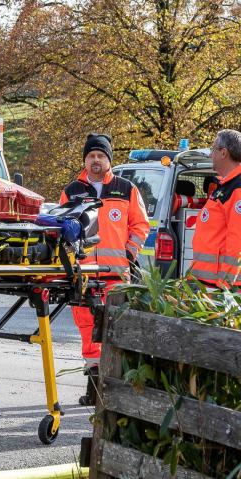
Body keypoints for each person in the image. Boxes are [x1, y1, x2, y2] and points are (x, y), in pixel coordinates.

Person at [60, 133, 149, 405]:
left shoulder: (126, 189)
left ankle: (115, 387)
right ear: (85, 160)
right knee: (88, 330)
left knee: (115, 329)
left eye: (101, 156)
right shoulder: (72, 191)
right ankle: (94, 387)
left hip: (116, 275)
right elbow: (61, 228)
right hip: (84, 275)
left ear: (109, 160)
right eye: (91, 156)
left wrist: (129, 252)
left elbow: (141, 225)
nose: (95, 160)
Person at [191, 129, 241, 288]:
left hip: (221, 286)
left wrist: (226, 282)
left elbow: (237, 240)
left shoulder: (237, 189)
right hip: (208, 281)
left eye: (213, 149)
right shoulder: (225, 187)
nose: (210, 154)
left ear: (223, 153)